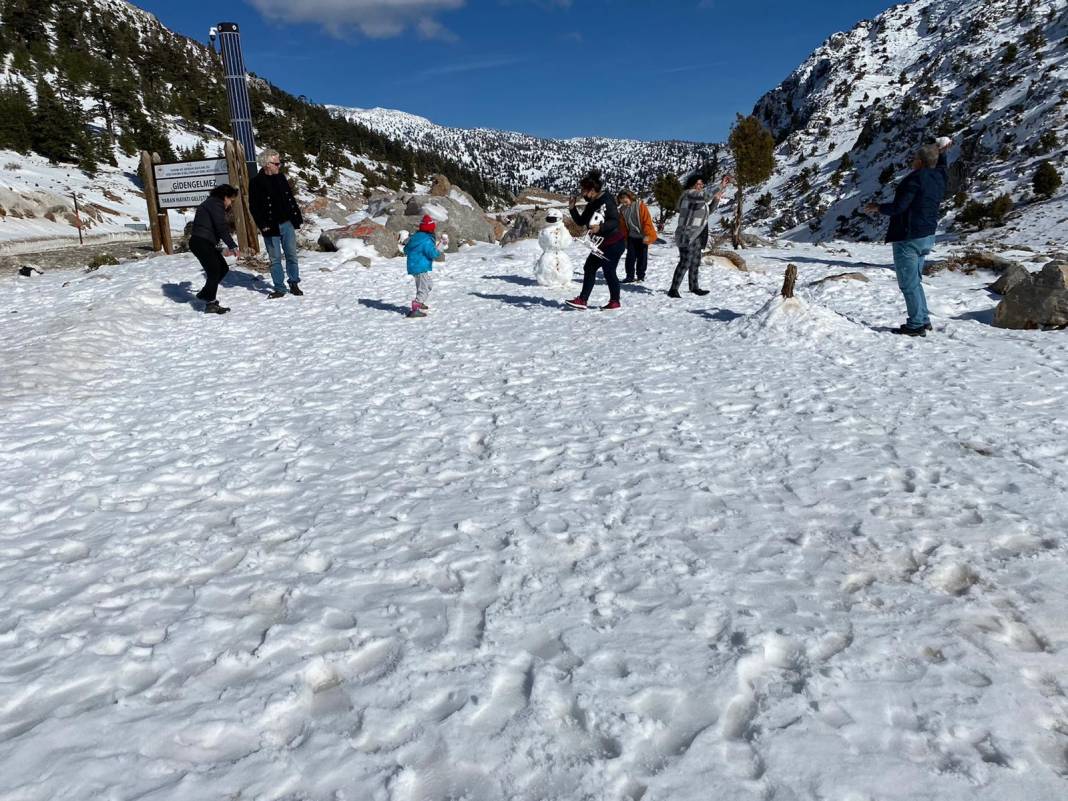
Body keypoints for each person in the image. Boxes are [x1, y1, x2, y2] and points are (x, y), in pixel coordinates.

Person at [864, 137, 952, 336]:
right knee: (915, 280)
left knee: (908, 283)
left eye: (915, 157)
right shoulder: (940, 176)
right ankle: (923, 319)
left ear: (920, 161)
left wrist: (877, 207)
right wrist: (943, 151)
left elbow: (899, 207)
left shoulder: (914, 179)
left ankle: (915, 325)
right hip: (927, 235)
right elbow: (943, 165)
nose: (912, 160)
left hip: (908, 236)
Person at [565, 170, 625, 311]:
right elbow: (580, 221)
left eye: (584, 190)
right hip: (602, 244)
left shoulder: (607, 200)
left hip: (614, 243)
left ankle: (614, 301)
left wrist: (600, 227)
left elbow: (615, 221)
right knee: (590, 267)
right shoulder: (592, 204)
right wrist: (572, 208)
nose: (582, 194)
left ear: (592, 190)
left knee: (609, 271)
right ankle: (582, 300)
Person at [249, 148, 304, 299]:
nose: (279, 166)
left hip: (286, 223)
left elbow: (290, 199)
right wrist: (263, 225)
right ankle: (279, 288)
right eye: (277, 163)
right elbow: (254, 207)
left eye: (279, 163)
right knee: (275, 259)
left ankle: (294, 283)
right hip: (270, 226)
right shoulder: (256, 182)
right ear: (267, 164)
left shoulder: (281, 178)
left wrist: (296, 218)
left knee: (292, 255)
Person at [669, 172, 733, 298]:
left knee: (695, 262)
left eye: (701, 184)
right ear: (691, 185)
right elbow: (706, 195)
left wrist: (716, 199)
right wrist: (720, 185)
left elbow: (707, 212)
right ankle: (673, 289)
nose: (700, 186)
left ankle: (694, 287)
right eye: (697, 184)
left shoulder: (697, 198)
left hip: (697, 234)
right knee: (685, 262)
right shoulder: (689, 195)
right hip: (686, 234)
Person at [189, 184, 240, 315]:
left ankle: (205, 294)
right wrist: (232, 245)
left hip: (203, 242)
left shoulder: (211, 203)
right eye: (231, 200)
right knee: (214, 271)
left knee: (223, 268)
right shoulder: (216, 204)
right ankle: (210, 304)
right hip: (201, 242)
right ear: (225, 197)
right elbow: (221, 227)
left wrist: (220, 248)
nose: (230, 204)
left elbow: (211, 229)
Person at [404, 215, 444, 319]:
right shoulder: (426, 240)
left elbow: (406, 250)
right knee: (424, 288)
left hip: (415, 266)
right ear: (430, 229)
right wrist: (441, 245)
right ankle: (415, 308)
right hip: (420, 267)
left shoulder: (415, 237)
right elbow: (433, 254)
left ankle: (420, 302)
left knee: (428, 284)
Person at [617, 189, 658, 284]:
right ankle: (629, 276)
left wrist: (647, 235)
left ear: (630, 198)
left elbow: (646, 221)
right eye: (622, 203)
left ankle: (640, 276)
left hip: (642, 236)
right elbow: (623, 226)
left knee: (642, 257)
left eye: (626, 201)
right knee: (630, 257)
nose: (625, 204)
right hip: (632, 236)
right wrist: (624, 239)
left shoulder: (640, 206)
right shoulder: (622, 210)